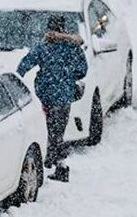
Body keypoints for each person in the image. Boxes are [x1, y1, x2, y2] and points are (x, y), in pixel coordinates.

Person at [17, 17, 87, 181]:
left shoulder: (43, 47)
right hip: (64, 96)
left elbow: (23, 65)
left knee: (46, 129)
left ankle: (52, 162)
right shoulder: (72, 48)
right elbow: (83, 70)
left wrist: (17, 82)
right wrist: (68, 76)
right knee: (58, 131)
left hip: (45, 96)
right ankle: (59, 164)